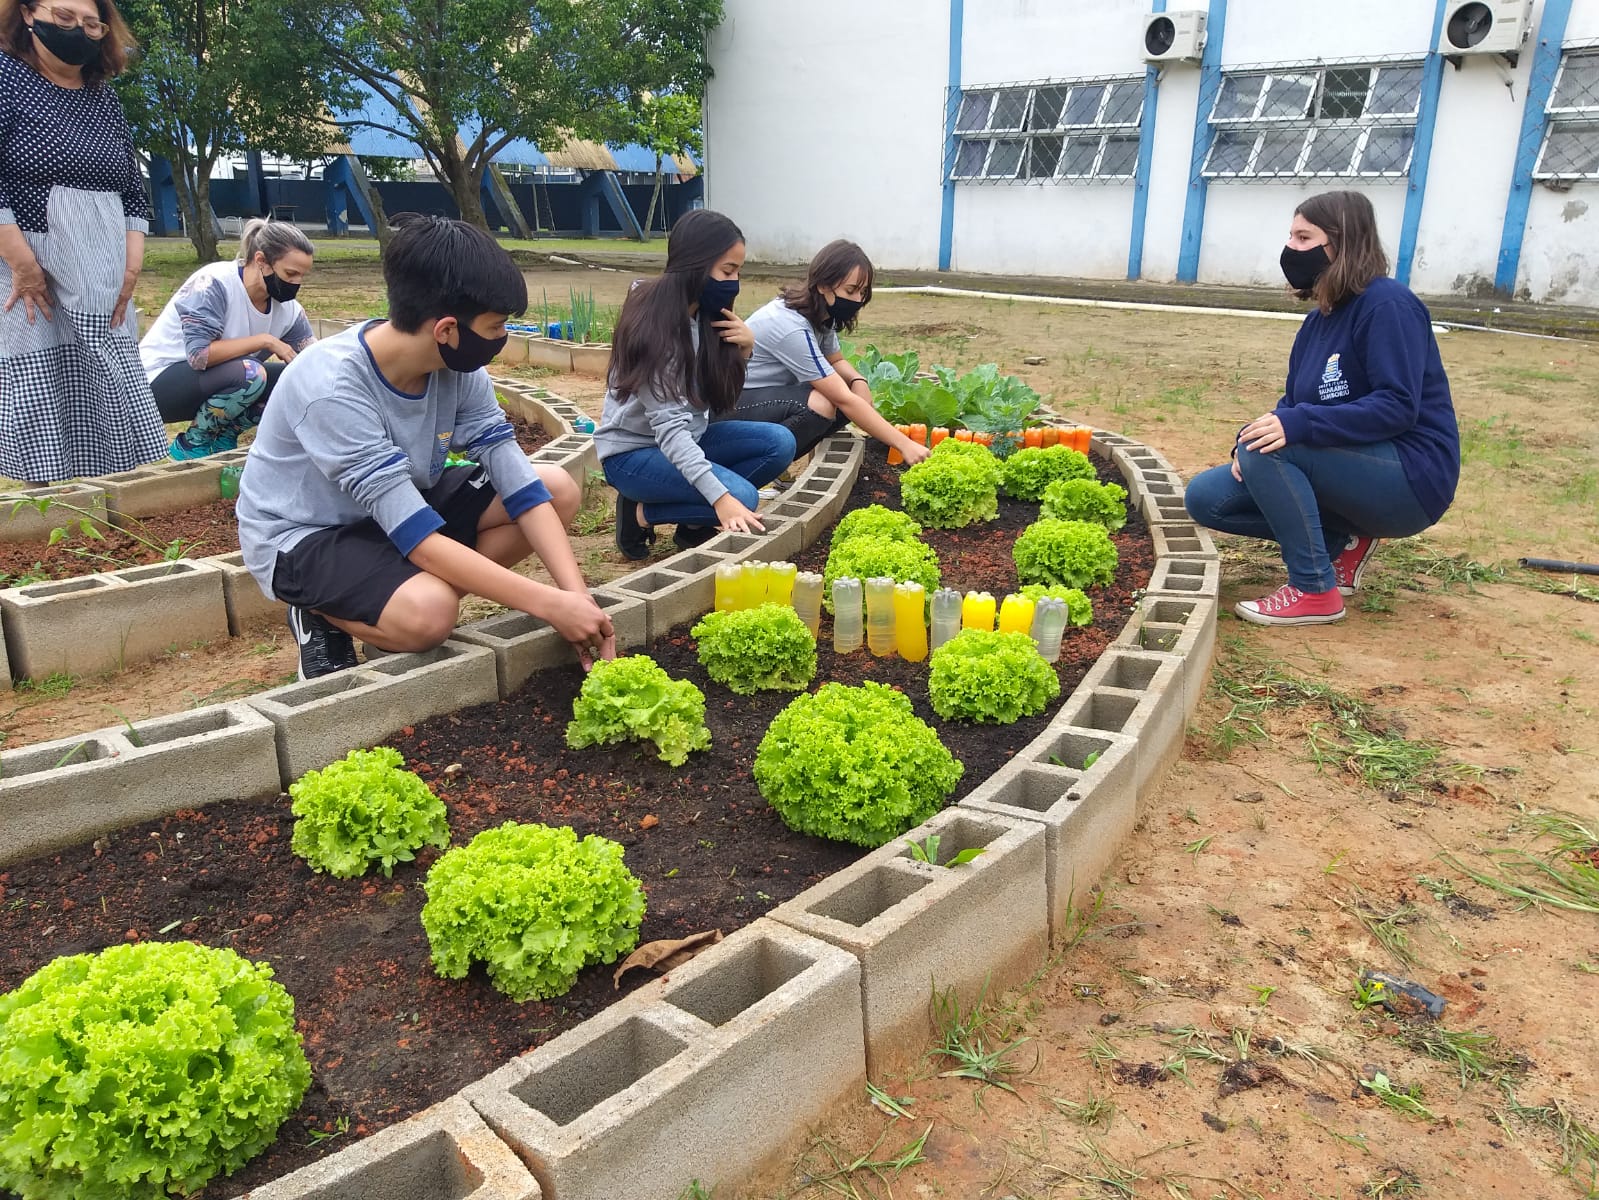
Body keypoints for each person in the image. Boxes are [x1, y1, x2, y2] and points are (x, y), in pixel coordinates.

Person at [236, 214, 615, 681]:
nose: (502, 339)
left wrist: (577, 597)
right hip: (308, 534)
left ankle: (388, 599)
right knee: (431, 615)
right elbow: (415, 535)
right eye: (497, 326)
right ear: (446, 330)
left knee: (554, 488)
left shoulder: (458, 366)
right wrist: (549, 605)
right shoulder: (332, 386)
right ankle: (323, 611)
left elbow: (513, 473)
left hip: (397, 505)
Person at [1184, 190, 1460, 628]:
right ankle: (1339, 539)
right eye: (1290, 236)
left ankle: (1314, 590)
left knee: (1271, 449)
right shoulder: (1318, 321)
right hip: (1352, 467)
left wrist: (1288, 430)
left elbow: (1398, 406)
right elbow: (1294, 404)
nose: (1291, 249)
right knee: (1207, 498)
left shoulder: (1388, 305)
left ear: (1342, 242)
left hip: (1412, 476)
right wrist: (1248, 437)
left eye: (1303, 237)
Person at [0, 0, 166, 484]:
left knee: (111, 383)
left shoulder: (102, 96)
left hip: (104, 273)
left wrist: (132, 265)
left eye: (91, 24)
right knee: (44, 384)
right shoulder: (6, 78)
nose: (79, 31)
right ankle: (52, 507)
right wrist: (24, 265)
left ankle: (114, 497)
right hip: (32, 264)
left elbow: (132, 188)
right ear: (29, 15)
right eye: (65, 18)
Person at [596, 209, 795, 560]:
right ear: (695, 265)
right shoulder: (653, 329)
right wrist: (722, 500)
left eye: (738, 271)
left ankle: (687, 525)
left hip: (690, 439)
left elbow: (719, 400)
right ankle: (638, 512)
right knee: (742, 498)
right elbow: (670, 432)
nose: (734, 282)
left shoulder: (703, 314)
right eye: (728, 271)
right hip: (633, 453)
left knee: (778, 443)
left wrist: (745, 350)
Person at [734, 239, 927, 467]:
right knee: (823, 405)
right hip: (732, 402)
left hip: (765, 396)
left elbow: (835, 359)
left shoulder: (820, 313)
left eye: (862, 292)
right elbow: (841, 398)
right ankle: (750, 465)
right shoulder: (789, 326)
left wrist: (858, 380)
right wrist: (904, 444)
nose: (857, 300)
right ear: (823, 285)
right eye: (851, 290)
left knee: (847, 395)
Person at [140, 218, 316, 459]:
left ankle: (225, 436)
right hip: (157, 385)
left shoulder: (289, 310)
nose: (296, 283)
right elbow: (199, 356)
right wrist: (264, 341)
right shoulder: (214, 283)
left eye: (302, 276)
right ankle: (192, 445)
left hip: (219, 385)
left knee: (298, 381)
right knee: (251, 373)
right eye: (290, 273)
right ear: (261, 261)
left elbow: (315, 362)